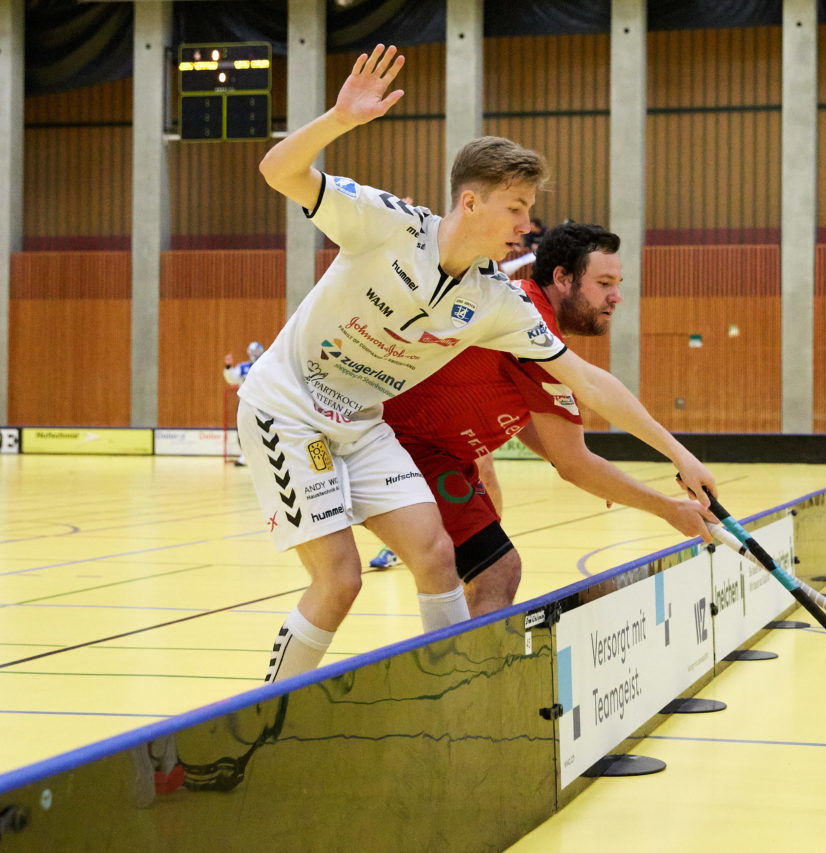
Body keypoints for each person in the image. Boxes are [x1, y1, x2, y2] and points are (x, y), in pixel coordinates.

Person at [242, 45, 715, 682]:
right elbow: (277, 170)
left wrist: (678, 454)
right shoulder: (385, 224)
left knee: (438, 555)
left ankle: (445, 700)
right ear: (471, 203)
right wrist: (338, 121)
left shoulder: (493, 300)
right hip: (291, 410)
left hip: (362, 424)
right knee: (340, 579)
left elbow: (589, 380)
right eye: (516, 209)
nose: (527, 225)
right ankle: (267, 719)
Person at [369, 222, 716, 614]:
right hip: (398, 445)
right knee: (491, 571)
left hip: (439, 456)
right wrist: (675, 481)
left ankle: (458, 667)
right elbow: (580, 441)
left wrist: (599, 475)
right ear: (562, 278)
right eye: (604, 283)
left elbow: (558, 450)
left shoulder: (532, 326)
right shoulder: (527, 318)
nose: (617, 296)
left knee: (493, 570)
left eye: (617, 283)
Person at [221, 341, 265, 466]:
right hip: (244, 404)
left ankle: (263, 456)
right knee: (242, 430)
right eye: (252, 352)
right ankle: (244, 456)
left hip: (262, 404)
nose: (254, 354)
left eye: (257, 352)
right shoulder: (243, 367)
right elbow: (231, 379)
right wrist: (228, 367)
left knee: (262, 430)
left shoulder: (266, 366)